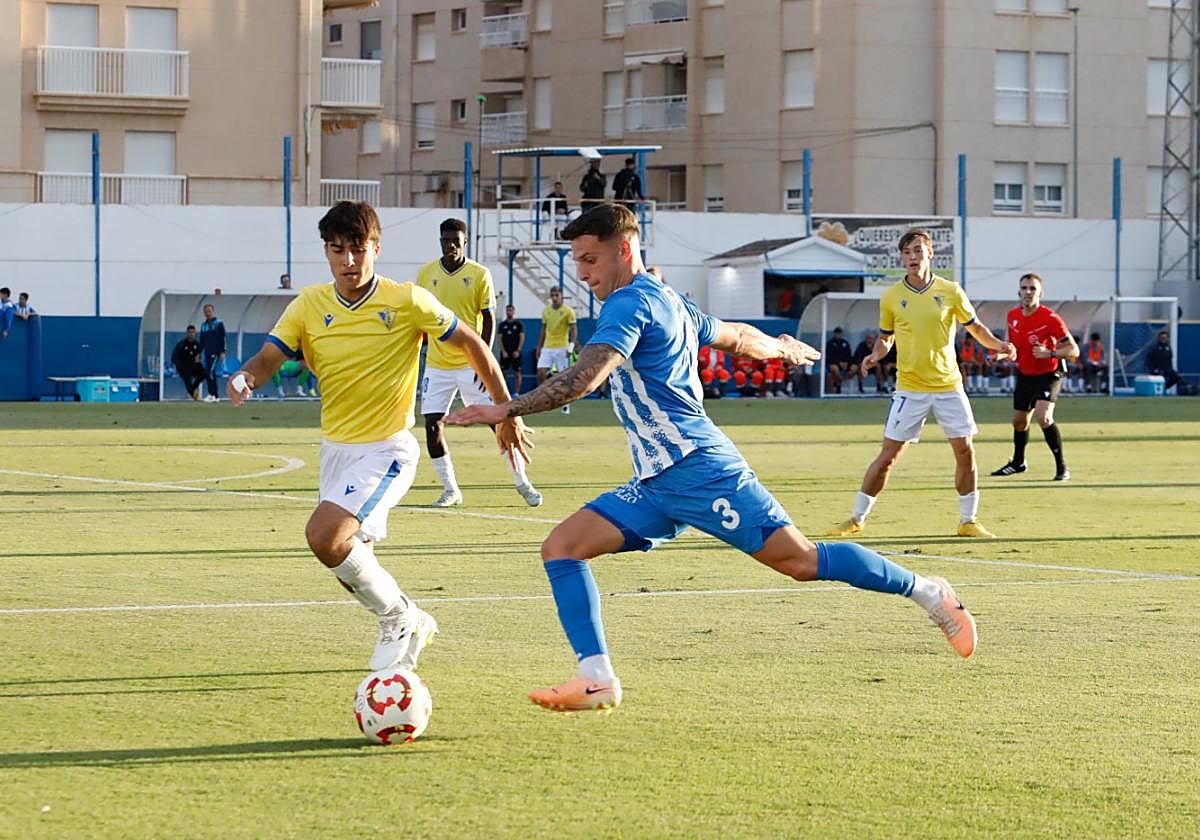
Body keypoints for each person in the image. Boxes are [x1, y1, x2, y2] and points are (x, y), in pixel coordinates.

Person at [444, 204, 979, 714]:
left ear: (625, 249)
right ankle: (597, 677)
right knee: (562, 547)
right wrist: (782, 348)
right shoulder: (666, 298)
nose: (582, 273)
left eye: (590, 260)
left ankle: (931, 593)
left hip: (701, 469)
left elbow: (587, 377)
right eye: (577, 261)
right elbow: (738, 337)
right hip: (657, 483)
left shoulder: (630, 303)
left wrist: (506, 408)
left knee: (800, 562)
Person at [226, 200, 531, 675]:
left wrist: (506, 410)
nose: (348, 261)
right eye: (337, 250)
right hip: (336, 452)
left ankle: (400, 619)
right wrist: (245, 376)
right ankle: (409, 619)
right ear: (326, 252)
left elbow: (472, 342)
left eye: (358, 249)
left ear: (376, 248)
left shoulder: (406, 300)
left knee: (324, 535)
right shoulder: (308, 304)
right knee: (344, 556)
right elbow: (270, 355)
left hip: (387, 449)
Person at [827, 229, 1015, 539]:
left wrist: (1000, 345)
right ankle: (857, 518)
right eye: (906, 253)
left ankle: (968, 521)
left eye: (917, 250)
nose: (912, 257)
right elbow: (886, 338)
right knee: (888, 456)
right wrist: (875, 355)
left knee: (965, 451)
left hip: (949, 386)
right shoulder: (891, 296)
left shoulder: (951, 291)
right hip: (910, 388)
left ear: (931, 254)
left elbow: (976, 328)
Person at [418, 218, 542, 508]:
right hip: (437, 365)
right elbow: (420, 316)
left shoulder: (479, 274)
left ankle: (522, 481)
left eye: (456, 241)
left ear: (466, 242)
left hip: (469, 365)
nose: (450, 245)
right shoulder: (426, 274)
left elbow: (487, 320)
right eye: (445, 240)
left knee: (499, 423)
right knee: (432, 425)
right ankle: (450, 489)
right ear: (440, 241)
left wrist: (481, 361)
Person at [991, 273, 1078, 482]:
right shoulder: (1012, 316)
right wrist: (999, 355)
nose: (1028, 292)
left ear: (1040, 293)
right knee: (1019, 422)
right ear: (1018, 291)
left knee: (1043, 416)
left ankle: (1062, 467)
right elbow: (1013, 348)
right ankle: (1018, 462)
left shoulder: (1050, 318)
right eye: (1024, 288)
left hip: (1049, 373)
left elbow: (1073, 350)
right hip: (1026, 374)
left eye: (1032, 289)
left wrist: (1051, 353)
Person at [537, 286, 578, 413]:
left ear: (561, 296)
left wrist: (571, 346)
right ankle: (544, 398)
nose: (554, 298)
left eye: (557, 295)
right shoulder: (546, 311)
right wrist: (539, 347)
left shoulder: (568, 311)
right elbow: (543, 330)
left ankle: (565, 403)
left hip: (562, 347)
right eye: (553, 295)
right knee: (541, 371)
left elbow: (574, 330)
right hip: (548, 347)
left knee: (563, 376)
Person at [199, 303, 226, 402]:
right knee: (209, 373)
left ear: (213, 312)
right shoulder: (204, 325)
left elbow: (222, 338)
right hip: (207, 352)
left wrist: (222, 352)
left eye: (209, 311)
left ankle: (214, 395)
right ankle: (213, 395)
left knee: (210, 372)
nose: (208, 313)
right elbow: (201, 340)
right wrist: (199, 353)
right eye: (206, 312)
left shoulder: (218, 323)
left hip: (216, 352)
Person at [170, 325, 206, 401]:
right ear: (187, 333)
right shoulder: (181, 344)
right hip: (183, 366)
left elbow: (198, 356)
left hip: (193, 365)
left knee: (204, 373)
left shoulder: (197, 344)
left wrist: (198, 359)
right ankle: (194, 395)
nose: (191, 334)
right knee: (187, 377)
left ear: (195, 333)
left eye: (193, 332)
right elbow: (174, 358)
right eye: (189, 332)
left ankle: (192, 388)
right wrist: (179, 365)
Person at [498, 303, 525, 396]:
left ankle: (517, 393)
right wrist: (503, 351)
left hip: (515, 352)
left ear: (514, 311)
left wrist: (518, 350)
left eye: (510, 310)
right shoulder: (502, 325)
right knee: (504, 372)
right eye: (507, 310)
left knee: (517, 372)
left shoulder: (518, 324)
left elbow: (522, 337)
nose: (509, 312)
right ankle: (504, 392)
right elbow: (500, 339)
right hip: (506, 352)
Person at [824, 327, 853, 393]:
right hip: (833, 364)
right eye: (837, 333)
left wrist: (846, 363)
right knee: (835, 368)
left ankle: (839, 381)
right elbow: (829, 356)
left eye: (839, 333)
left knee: (854, 369)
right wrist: (838, 363)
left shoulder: (845, 343)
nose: (838, 335)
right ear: (834, 334)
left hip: (845, 364)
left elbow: (849, 355)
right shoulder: (830, 343)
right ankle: (838, 384)